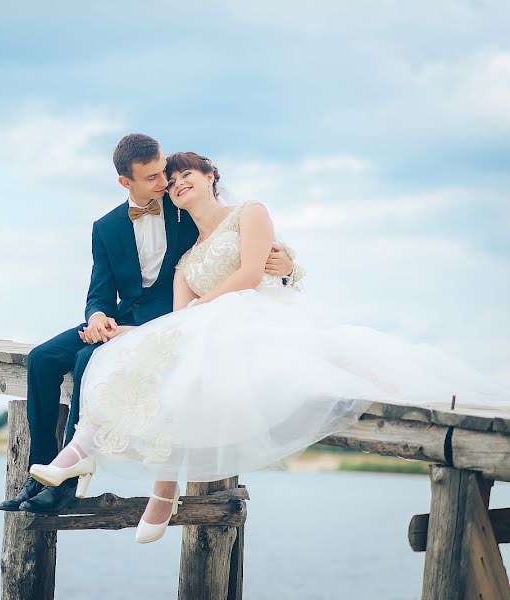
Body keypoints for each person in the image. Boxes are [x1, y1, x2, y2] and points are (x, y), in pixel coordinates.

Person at [29, 151, 507, 542]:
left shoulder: (249, 211)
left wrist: (243, 287)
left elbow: (253, 274)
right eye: (170, 180)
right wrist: (126, 331)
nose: (175, 184)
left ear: (211, 175)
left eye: (184, 174)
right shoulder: (186, 260)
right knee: (127, 356)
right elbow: (173, 320)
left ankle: (144, 478)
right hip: (208, 325)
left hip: (260, 317)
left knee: (344, 367)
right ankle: (96, 455)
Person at [0, 136, 299, 515]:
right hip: (123, 317)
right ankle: (37, 475)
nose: (165, 183)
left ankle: (66, 483)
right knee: (42, 358)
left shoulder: (184, 209)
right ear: (127, 183)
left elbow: (239, 250)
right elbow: (101, 291)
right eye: (154, 177)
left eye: (165, 173)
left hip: (178, 319)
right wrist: (97, 317)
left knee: (87, 361)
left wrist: (286, 266)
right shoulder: (106, 227)